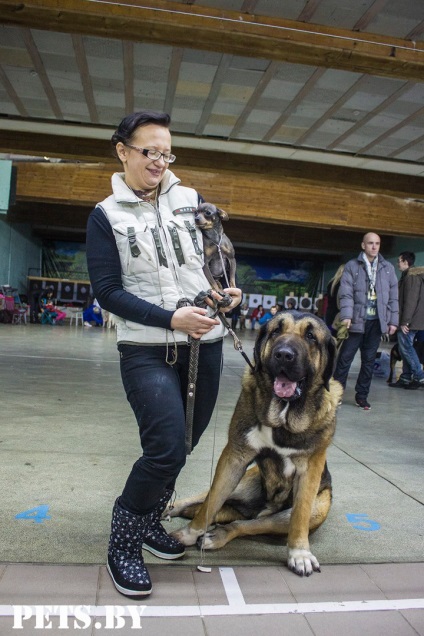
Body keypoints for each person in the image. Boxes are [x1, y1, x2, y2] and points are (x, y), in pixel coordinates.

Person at [86, 110, 241, 598]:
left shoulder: (192, 200)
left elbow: (216, 262)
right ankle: (124, 541)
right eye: (149, 151)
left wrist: (228, 291)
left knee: (187, 442)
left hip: (205, 343)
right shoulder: (105, 215)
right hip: (147, 348)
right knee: (166, 446)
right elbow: (108, 292)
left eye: (166, 152)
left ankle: (151, 521)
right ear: (123, 151)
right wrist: (170, 318)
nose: (159, 161)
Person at [333, 232, 398, 410]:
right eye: (370, 243)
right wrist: (347, 316)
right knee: (345, 359)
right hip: (355, 321)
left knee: (368, 361)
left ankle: (362, 396)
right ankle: (336, 394)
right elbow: (346, 293)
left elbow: (393, 297)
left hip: (376, 323)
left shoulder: (388, 268)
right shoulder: (352, 266)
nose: (374, 247)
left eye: (377, 243)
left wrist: (393, 321)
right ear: (363, 245)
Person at [389, 251, 424, 389]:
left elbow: (410, 300)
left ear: (405, 262)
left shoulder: (411, 277)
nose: (398, 264)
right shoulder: (410, 276)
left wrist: (405, 322)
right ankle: (405, 377)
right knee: (406, 348)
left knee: (406, 348)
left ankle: (419, 376)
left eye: (399, 261)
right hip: (414, 319)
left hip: (411, 320)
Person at [325, 264, 345, 333]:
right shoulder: (343, 284)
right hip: (338, 314)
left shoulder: (331, 283)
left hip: (329, 312)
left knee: (329, 335)